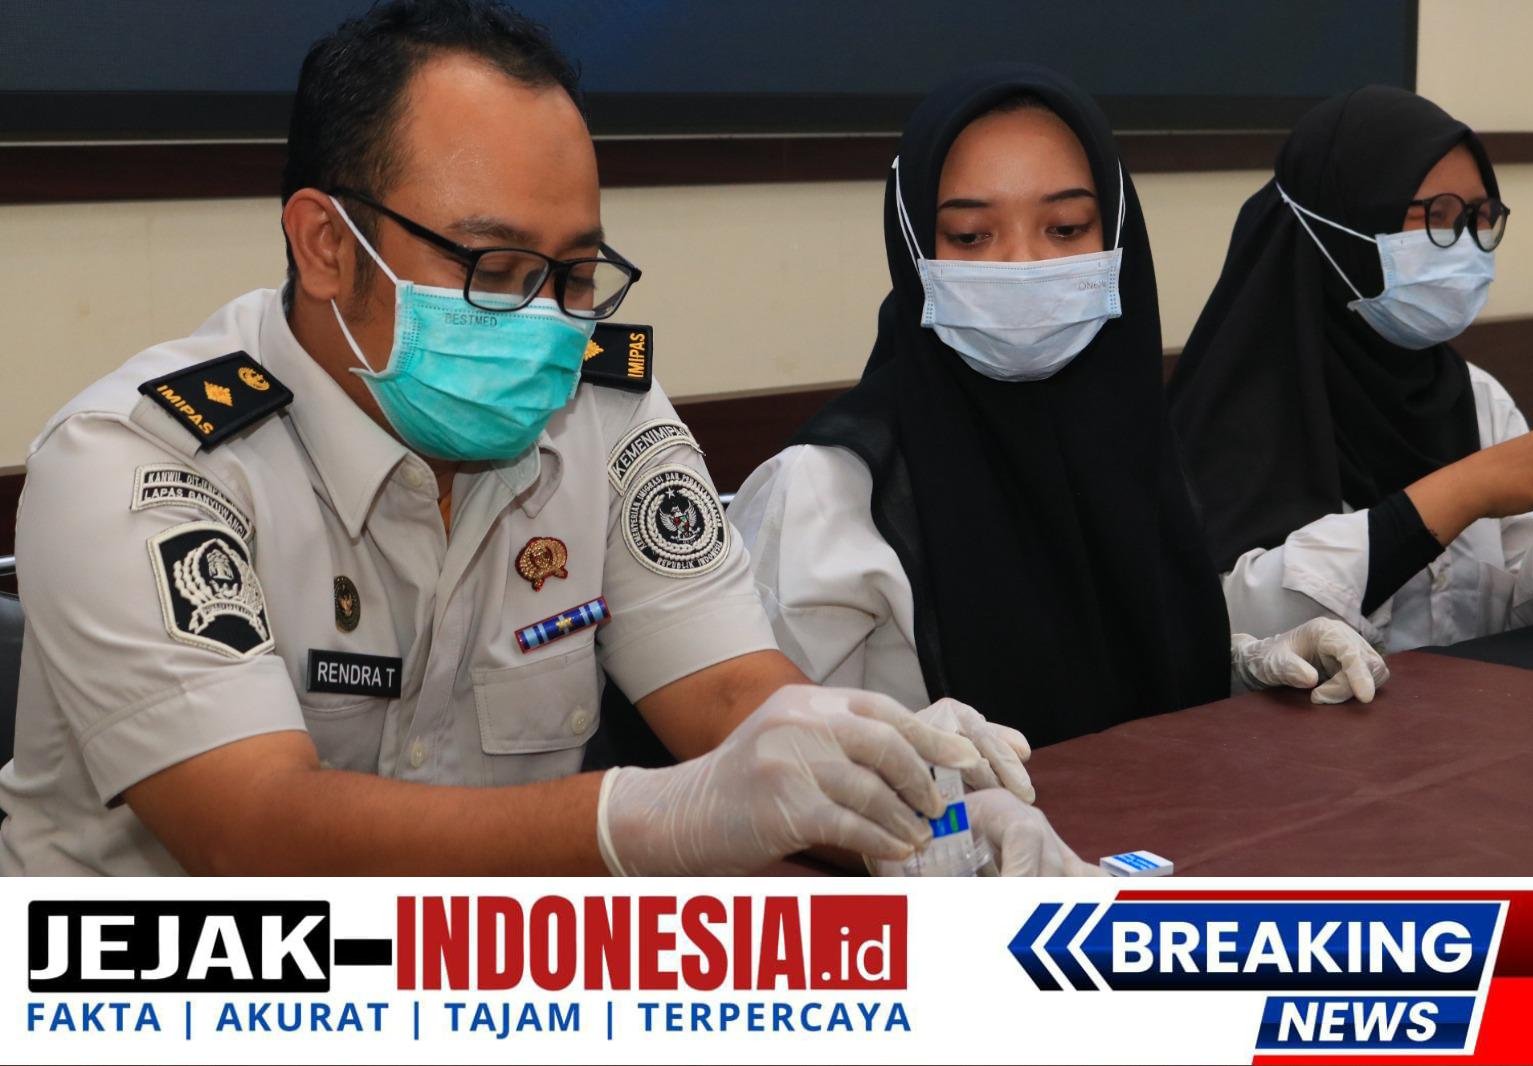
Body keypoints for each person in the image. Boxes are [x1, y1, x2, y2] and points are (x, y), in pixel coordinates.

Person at [0, 0, 1064, 877]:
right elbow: (252, 828)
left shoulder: (602, 412)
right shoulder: (139, 460)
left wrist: (916, 800)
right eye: (495, 270)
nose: (549, 323)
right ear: (325, 244)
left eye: (577, 274)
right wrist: (647, 817)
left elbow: (732, 696)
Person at [729, 64, 1388, 751]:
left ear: (1117, 233)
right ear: (916, 248)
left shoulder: (1130, 446)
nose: (1023, 264)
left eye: (1067, 228)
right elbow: (757, 760)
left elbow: (1110, 681)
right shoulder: (826, 492)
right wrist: (907, 759)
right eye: (971, 236)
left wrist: (1245, 668)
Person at [1168, 86, 1533, 652]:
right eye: (1436, 216)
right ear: (1340, 226)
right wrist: (1463, 490)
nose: (1465, 245)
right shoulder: (1236, 407)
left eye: (1479, 217)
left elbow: (1506, 611)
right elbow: (1226, 626)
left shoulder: (1476, 397)